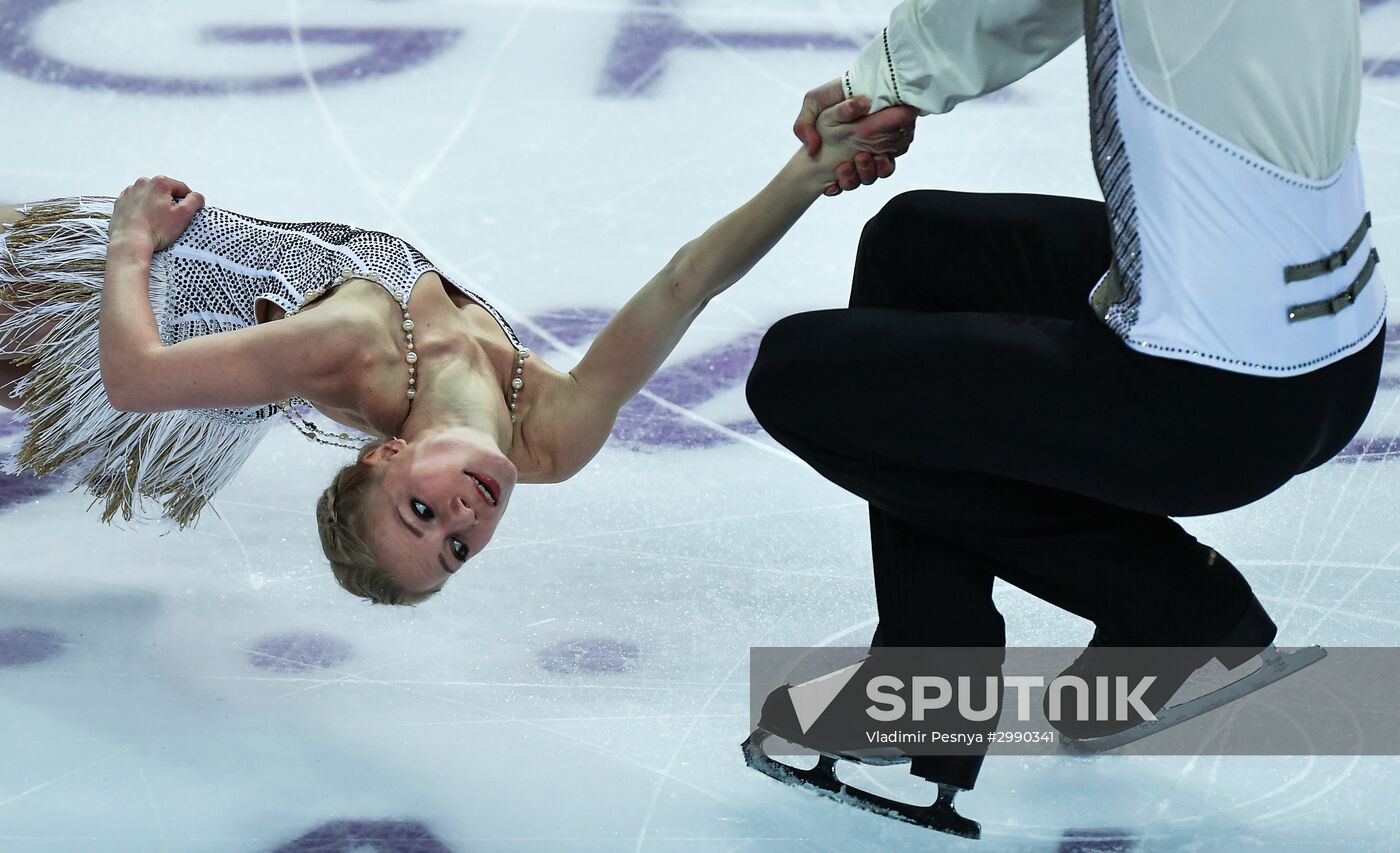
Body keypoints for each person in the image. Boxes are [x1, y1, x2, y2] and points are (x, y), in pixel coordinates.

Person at [743, 0, 1385, 836]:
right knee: (917, 248)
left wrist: (882, 82)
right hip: (1330, 348)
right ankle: (929, 663)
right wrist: (897, 78)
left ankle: (1173, 609)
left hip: (1214, 391)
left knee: (799, 379)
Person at [0, 95, 915, 605]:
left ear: (389, 451)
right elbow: (684, 287)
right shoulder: (553, 438)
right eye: (456, 549)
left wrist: (128, 242)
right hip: (172, 310)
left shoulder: (354, 349)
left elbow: (135, 378)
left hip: (131, 290)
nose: (462, 519)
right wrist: (808, 171)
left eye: (419, 514)